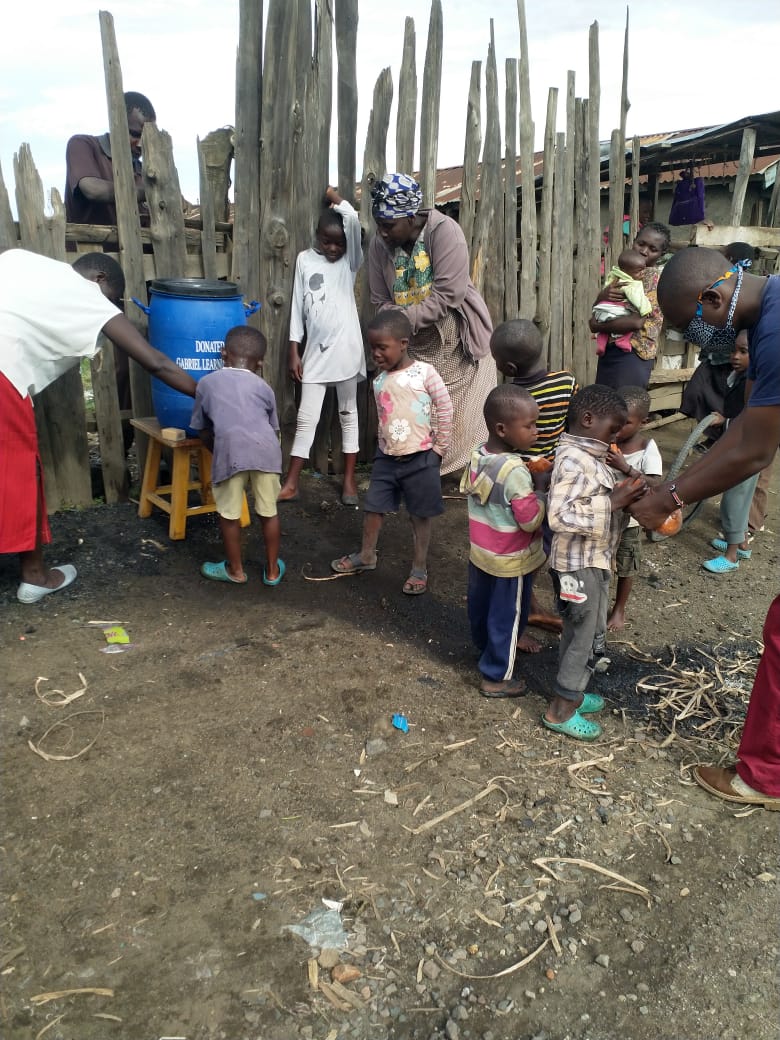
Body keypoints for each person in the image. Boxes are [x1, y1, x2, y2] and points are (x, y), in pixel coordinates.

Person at [630, 245, 780, 809]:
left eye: (692, 329)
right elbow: (743, 430)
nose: (697, 344)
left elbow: (754, 450)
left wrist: (667, 497)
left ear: (715, 299)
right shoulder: (771, 310)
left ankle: (765, 778)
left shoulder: (774, 332)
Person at [0, 248, 196, 603]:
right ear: (100, 279)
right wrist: (206, 393)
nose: (113, 310)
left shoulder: (19, 260)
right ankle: (35, 576)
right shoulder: (89, 296)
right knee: (17, 474)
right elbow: (156, 362)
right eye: (115, 301)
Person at [367, 172, 496, 478]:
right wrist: (399, 325)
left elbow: (449, 294)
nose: (382, 233)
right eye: (379, 225)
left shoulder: (444, 231)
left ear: (411, 217)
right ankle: (420, 475)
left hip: (456, 342)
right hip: (412, 343)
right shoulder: (378, 245)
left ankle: (461, 476)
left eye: (388, 226)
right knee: (418, 407)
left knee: (462, 414)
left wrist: (399, 321)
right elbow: (378, 298)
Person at [544, 385, 647, 742]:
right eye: (613, 429)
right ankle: (561, 709)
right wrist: (613, 503)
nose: (617, 436)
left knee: (588, 629)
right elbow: (558, 515)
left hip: (594, 561)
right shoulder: (573, 459)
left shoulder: (593, 456)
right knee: (580, 635)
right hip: (575, 566)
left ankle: (572, 690)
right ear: (588, 420)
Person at [330, 309, 452, 595]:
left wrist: (439, 449)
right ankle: (366, 555)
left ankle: (419, 567)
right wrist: (382, 446)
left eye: (382, 347)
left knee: (420, 515)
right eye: (372, 347)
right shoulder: (379, 380)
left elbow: (445, 408)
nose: (376, 354)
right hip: (387, 458)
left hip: (422, 457)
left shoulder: (425, 373)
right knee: (373, 507)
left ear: (403, 343)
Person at [490, 317, 579, 645]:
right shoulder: (567, 382)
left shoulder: (509, 398)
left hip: (521, 482)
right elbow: (574, 425)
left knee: (521, 549)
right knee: (545, 546)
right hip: (556, 480)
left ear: (509, 366)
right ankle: (529, 608)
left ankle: (522, 613)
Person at [278, 186, 366, 506]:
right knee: (306, 418)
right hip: (315, 352)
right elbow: (298, 309)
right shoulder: (304, 260)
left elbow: (354, 220)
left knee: (348, 415)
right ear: (316, 236)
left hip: (346, 349)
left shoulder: (350, 261)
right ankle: (291, 482)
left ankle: (349, 481)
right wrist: (293, 348)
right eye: (325, 241)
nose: (331, 248)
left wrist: (334, 196)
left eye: (338, 243)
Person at [460, 384, 546, 697]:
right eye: (529, 425)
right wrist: (541, 490)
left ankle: (491, 647)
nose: (536, 431)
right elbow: (529, 519)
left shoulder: (479, 455)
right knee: (507, 614)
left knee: (483, 607)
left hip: (482, 552)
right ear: (502, 428)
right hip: (511, 559)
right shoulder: (516, 472)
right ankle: (496, 677)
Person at [190, 326, 283, 586]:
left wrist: (218, 450)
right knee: (268, 512)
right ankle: (273, 571)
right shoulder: (264, 387)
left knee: (229, 514)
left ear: (223, 354)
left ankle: (236, 571)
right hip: (267, 453)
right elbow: (273, 428)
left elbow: (201, 429)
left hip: (230, 452)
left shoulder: (206, 383)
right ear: (260, 363)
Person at [680, 242, 757, 447]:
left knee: (725, 401)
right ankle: (713, 435)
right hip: (715, 356)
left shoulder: (741, 288)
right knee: (696, 392)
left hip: (732, 359)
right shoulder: (721, 283)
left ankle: (719, 439)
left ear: (730, 259)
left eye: (724, 256)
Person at [605, 386, 663, 630]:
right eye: (614, 422)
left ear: (644, 421)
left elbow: (655, 483)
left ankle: (619, 609)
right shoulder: (605, 440)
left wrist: (626, 467)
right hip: (604, 515)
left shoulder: (647, 448)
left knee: (626, 564)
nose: (618, 429)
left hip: (629, 522)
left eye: (626, 423)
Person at [591, 222, 671, 390]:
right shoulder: (622, 273)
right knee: (605, 407)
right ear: (633, 240)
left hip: (635, 353)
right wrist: (602, 296)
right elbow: (601, 308)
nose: (644, 251)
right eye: (641, 244)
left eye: (652, 249)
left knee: (624, 408)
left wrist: (597, 325)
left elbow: (636, 323)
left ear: (662, 254)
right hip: (611, 349)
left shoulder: (653, 279)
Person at [65, 91, 156, 227]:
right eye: (135, 134)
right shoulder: (83, 145)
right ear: (117, 124)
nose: (140, 144)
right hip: (88, 246)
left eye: (147, 137)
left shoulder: (144, 171)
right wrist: (148, 193)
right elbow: (92, 189)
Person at [593, 248, 652, 357]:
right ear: (627, 271)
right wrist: (646, 309)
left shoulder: (614, 275)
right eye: (639, 271)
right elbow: (636, 299)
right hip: (616, 310)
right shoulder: (630, 283)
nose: (642, 273)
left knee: (604, 331)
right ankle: (622, 341)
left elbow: (593, 324)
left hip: (602, 309)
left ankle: (601, 345)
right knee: (627, 325)